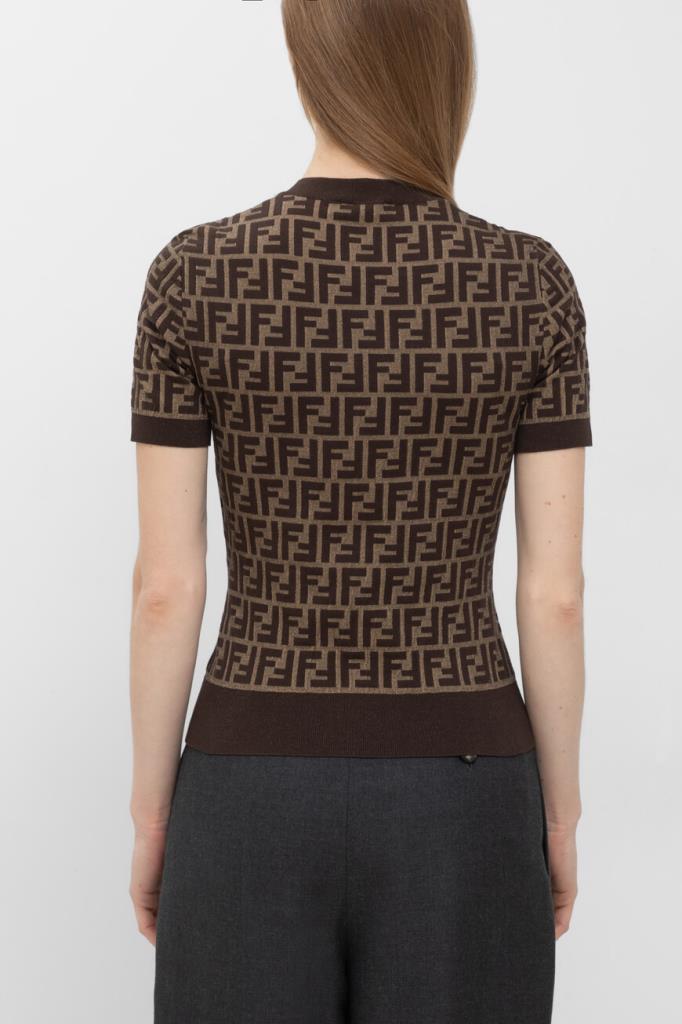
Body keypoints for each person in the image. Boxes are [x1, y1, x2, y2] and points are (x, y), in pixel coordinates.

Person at [128, 1, 592, 1021]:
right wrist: (557, 817)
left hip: (247, 787)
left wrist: (155, 815)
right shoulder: (531, 285)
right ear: (448, 69)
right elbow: (553, 595)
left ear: (307, 66)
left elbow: (167, 587)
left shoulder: (193, 276)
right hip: (466, 794)